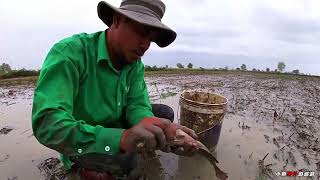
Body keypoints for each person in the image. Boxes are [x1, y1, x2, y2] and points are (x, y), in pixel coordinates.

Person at [32, 0, 198, 179]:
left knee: (163, 115)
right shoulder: (70, 53)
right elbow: (46, 123)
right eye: (141, 33)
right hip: (84, 141)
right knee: (131, 162)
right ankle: (84, 169)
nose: (146, 45)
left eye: (151, 38)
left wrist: (160, 128)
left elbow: (137, 105)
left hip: (119, 128)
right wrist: (121, 139)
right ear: (117, 20)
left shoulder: (134, 64)